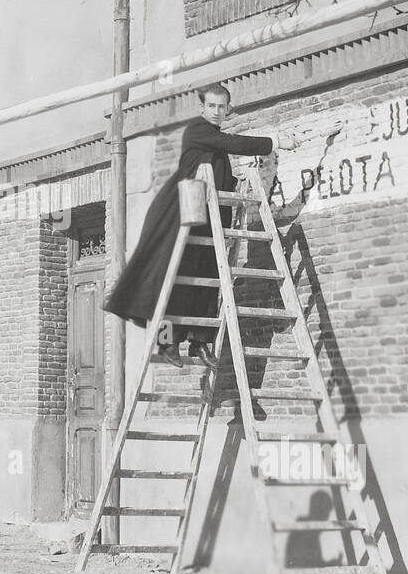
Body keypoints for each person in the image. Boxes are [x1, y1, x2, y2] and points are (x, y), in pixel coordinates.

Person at [104, 82, 296, 368]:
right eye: (212, 106)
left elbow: (219, 169)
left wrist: (237, 182)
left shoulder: (214, 144)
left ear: (228, 109)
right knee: (174, 279)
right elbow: (234, 143)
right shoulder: (198, 130)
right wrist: (275, 141)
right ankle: (168, 342)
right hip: (180, 210)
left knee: (209, 276)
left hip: (210, 214)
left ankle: (200, 342)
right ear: (202, 108)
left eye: (222, 107)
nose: (217, 112)